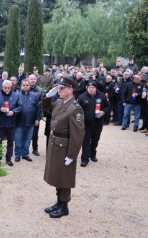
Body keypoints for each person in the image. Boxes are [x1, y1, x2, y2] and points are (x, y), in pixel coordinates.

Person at [42, 77, 85, 218]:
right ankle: (58, 202)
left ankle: (64, 205)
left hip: (64, 147)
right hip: (55, 144)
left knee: (64, 177)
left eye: (62, 88)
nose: (58, 90)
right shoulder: (60, 102)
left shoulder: (75, 109)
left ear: (70, 90)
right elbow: (47, 108)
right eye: (58, 88)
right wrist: (48, 95)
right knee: (57, 175)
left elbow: (77, 136)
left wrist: (71, 155)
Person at [77, 81, 111, 167]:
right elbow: (77, 110)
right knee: (85, 141)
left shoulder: (102, 96)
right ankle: (85, 159)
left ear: (96, 88)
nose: (91, 89)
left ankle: (93, 154)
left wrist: (103, 112)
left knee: (95, 140)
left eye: (92, 88)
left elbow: (108, 106)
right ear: (86, 88)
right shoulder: (81, 97)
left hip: (98, 123)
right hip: (86, 124)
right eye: (89, 87)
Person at [0, 80, 22, 166]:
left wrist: (14, 112)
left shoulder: (16, 95)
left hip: (11, 123)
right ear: (2, 87)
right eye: (5, 88)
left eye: (9, 87)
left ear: (11, 87)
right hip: (0, 122)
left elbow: (20, 106)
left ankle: (8, 159)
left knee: (10, 142)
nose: (7, 89)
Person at [15, 79, 41, 163]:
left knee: (28, 140)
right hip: (19, 122)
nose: (25, 86)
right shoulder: (16, 95)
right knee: (18, 139)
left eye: (27, 85)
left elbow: (38, 109)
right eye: (24, 85)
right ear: (21, 86)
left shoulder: (34, 96)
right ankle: (17, 155)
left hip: (31, 122)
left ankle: (25, 154)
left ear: (29, 86)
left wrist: (37, 119)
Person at [28, 75, 43, 157]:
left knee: (35, 133)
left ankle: (35, 149)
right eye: (31, 79)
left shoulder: (40, 90)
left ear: (36, 80)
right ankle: (24, 149)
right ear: (28, 80)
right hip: (26, 115)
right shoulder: (25, 88)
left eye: (34, 79)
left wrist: (38, 117)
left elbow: (41, 104)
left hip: (35, 115)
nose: (32, 80)